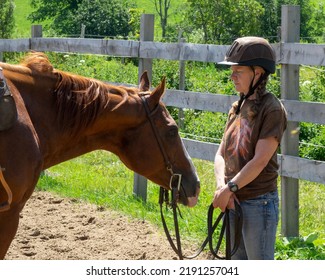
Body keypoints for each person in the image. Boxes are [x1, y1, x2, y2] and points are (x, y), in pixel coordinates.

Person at [213, 36, 287, 260]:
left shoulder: (272, 109)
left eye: (239, 71)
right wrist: (222, 187)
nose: (232, 76)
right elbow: (220, 153)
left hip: (258, 201)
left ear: (258, 73)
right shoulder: (237, 106)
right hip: (234, 199)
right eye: (232, 71)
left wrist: (229, 189)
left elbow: (260, 160)